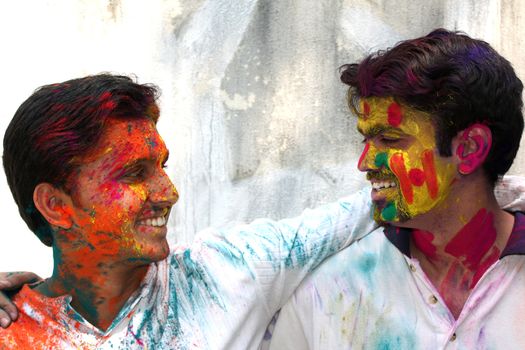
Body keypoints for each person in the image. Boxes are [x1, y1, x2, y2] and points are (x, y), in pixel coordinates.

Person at [0, 74, 378, 349]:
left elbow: (358, 213)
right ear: (55, 205)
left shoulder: (225, 276)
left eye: (162, 166)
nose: (168, 192)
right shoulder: (9, 330)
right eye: (134, 173)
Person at [268, 29, 525, 349]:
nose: (365, 163)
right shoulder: (328, 294)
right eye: (366, 140)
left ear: (470, 149)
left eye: (389, 139)